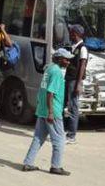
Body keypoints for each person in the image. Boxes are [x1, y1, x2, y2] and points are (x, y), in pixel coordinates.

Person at [22, 48, 73, 176]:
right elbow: (50, 92)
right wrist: (51, 112)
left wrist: (41, 107)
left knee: (38, 137)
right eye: (66, 59)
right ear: (60, 59)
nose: (68, 62)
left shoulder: (48, 69)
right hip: (52, 110)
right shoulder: (56, 72)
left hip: (43, 109)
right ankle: (56, 166)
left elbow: (42, 89)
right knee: (59, 140)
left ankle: (28, 163)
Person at [65, 24, 88, 144]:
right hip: (69, 79)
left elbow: (82, 66)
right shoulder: (73, 46)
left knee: (73, 108)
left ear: (76, 34)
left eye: (72, 32)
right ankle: (65, 131)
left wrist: (78, 84)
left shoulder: (83, 48)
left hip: (75, 80)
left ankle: (71, 136)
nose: (70, 34)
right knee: (66, 106)